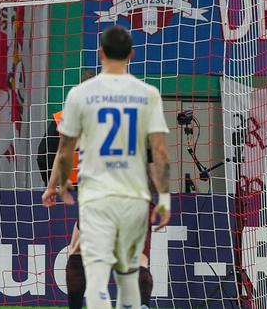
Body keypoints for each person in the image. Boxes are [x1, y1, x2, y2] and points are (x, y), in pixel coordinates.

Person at [42, 26, 172, 309]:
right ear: (131, 55)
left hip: (97, 195)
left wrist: (54, 185)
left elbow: (64, 150)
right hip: (134, 195)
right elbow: (159, 154)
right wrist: (163, 199)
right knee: (136, 262)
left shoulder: (81, 95)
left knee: (87, 263)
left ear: (100, 53)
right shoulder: (148, 94)